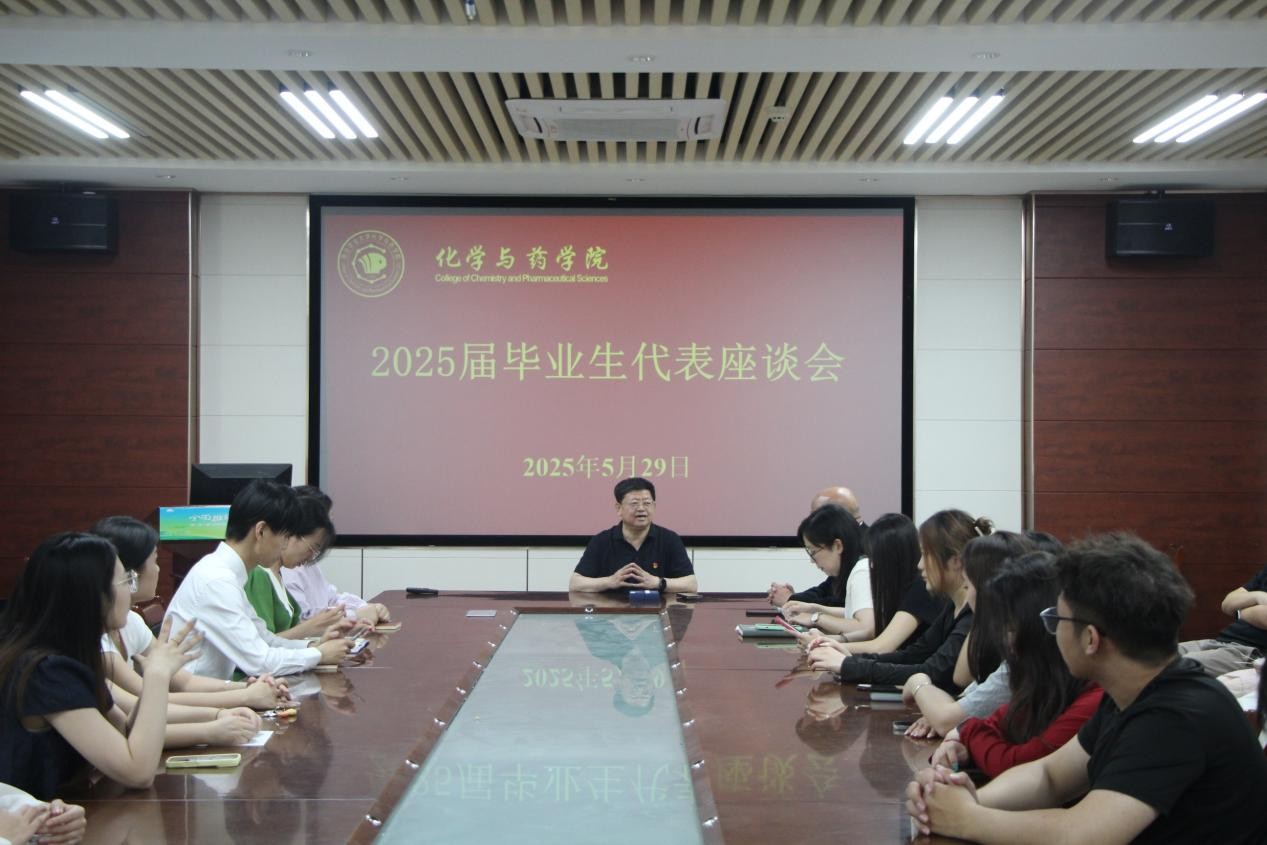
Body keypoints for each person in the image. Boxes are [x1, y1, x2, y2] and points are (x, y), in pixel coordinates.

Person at [906, 532, 1267, 844]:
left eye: (1056, 619)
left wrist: (966, 818)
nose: (1051, 632)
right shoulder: (1131, 693)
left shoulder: (1176, 715)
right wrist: (966, 799)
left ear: (1091, 639)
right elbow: (1049, 777)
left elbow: (1081, 834)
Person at [0, 533, 200, 801]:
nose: (131, 591)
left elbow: (124, 729)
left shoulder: (72, 656)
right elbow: (137, 772)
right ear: (91, 595)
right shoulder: (46, 671)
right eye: (126, 580)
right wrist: (157, 675)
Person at [926, 552, 1103, 777]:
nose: (1005, 641)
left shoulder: (1096, 697)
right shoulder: (1045, 684)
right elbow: (1000, 719)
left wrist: (968, 733)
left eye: (1009, 627)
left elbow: (1018, 764)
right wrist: (962, 734)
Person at [89, 516, 288, 711]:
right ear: (129, 573)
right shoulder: (96, 639)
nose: (158, 569)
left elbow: (184, 681)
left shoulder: (132, 621)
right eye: (155, 561)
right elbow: (148, 700)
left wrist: (248, 688)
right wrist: (245, 697)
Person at [165, 481, 353, 679]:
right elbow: (260, 662)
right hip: (197, 695)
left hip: (214, 691)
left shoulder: (227, 574)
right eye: (285, 536)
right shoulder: (217, 581)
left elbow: (264, 640)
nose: (285, 546)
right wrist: (319, 654)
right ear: (261, 531)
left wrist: (314, 645)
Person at [806, 509, 992, 690]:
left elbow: (933, 673)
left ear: (956, 561)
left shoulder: (973, 613)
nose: (920, 565)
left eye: (926, 555)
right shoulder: (952, 607)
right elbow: (913, 655)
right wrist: (850, 660)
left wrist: (848, 664)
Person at [280, 486, 390, 627]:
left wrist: (366, 607)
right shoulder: (288, 568)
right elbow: (303, 621)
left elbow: (331, 598)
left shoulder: (306, 560)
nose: (330, 529)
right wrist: (354, 616)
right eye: (328, 521)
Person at [569, 478, 698, 594]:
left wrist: (658, 582)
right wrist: (610, 581)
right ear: (618, 508)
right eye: (634, 503)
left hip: (657, 610)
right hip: (612, 611)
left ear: (654, 506)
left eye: (647, 503)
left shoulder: (669, 539)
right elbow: (575, 584)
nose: (641, 508)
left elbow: (691, 584)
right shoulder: (602, 541)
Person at [778, 505, 873, 637]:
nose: (812, 561)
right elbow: (853, 613)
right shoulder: (857, 568)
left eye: (813, 552)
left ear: (837, 546)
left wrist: (816, 618)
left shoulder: (862, 571)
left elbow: (866, 628)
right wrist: (815, 609)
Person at [768, 485, 869, 607]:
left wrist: (791, 600)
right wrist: (794, 599)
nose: (813, 522)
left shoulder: (867, 550)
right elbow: (826, 590)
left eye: (817, 517)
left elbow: (843, 605)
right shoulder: (852, 543)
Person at [1177, 559, 1267, 676]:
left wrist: (1239, 610)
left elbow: (1264, 617)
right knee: (1155, 656)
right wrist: (1257, 596)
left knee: (1172, 668)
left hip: (1249, 651)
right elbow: (1227, 604)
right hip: (1222, 641)